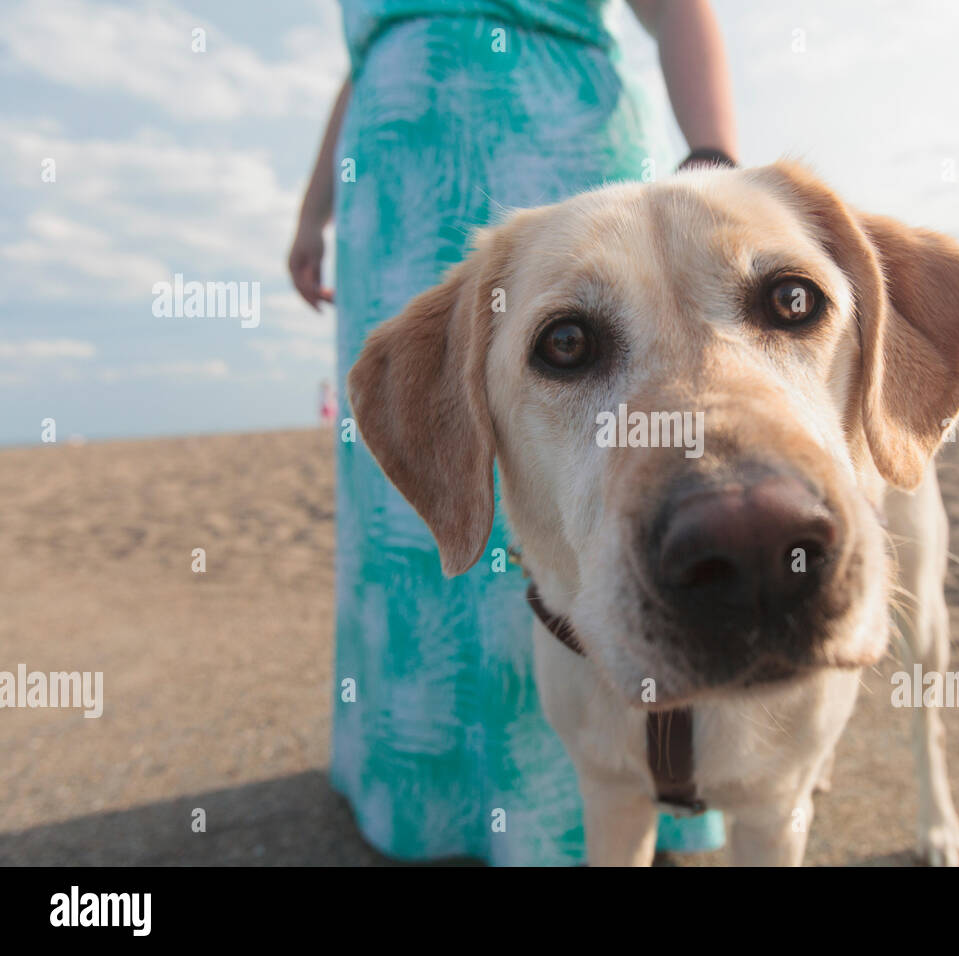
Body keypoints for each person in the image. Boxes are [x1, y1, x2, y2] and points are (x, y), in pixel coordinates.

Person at [288, 0, 739, 864]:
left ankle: (613, 792)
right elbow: (364, 59)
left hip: (553, 147)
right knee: (413, 485)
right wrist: (315, 210)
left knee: (593, 460)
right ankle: (432, 789)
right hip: (387, 193)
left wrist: (712, 158)